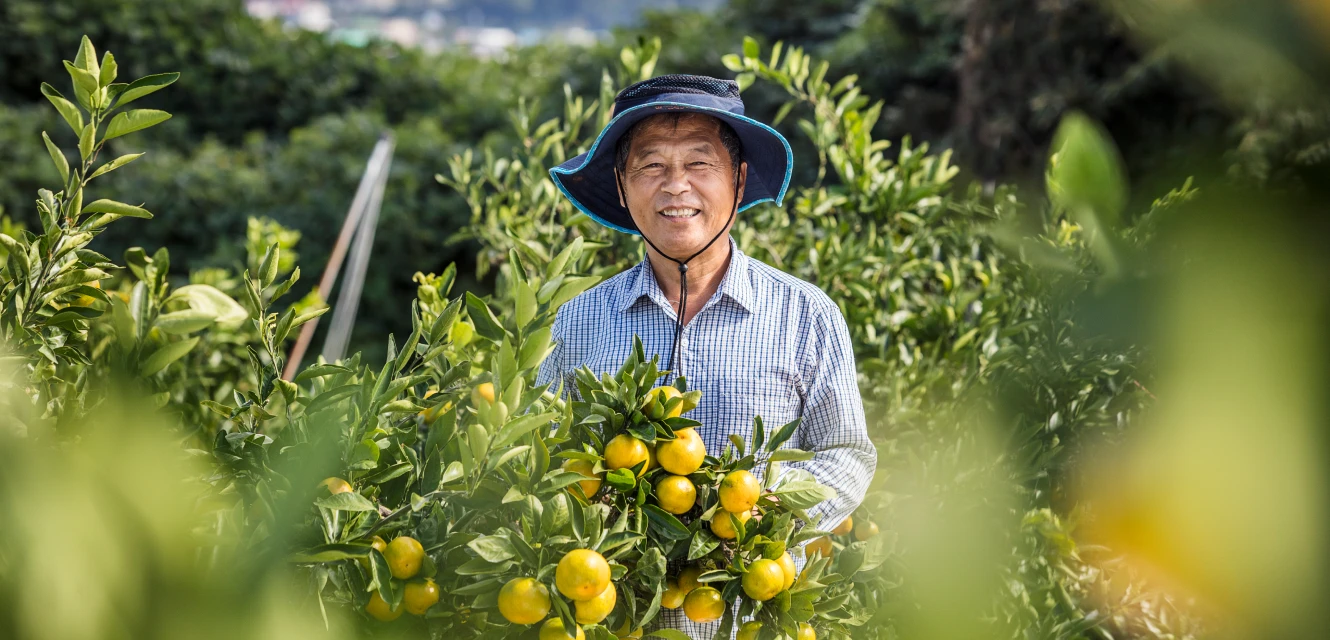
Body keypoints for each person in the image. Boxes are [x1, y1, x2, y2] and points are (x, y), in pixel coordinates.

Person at [536, 74, 876, 637]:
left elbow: (847, 453)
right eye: (650, 167)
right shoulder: (579, 321)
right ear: (622, 187)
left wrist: (755, 522)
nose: (676, 187)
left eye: (700, 164)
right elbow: (546, 461)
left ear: (739, 182)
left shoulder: (805, 315)